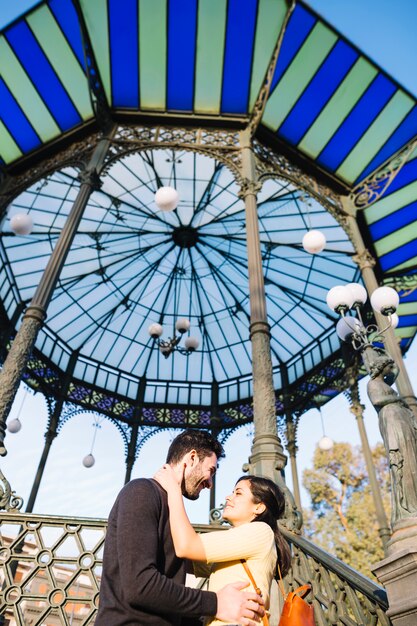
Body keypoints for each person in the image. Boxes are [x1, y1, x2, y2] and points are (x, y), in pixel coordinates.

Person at [95, 429, 265, 626]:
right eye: (211, 471)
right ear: (192, 458)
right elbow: (140, 585)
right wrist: (216, 603)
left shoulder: (171, 509)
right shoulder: (141, 491)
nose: (210, 483)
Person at [154, 464, 292, 626]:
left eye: (238, 493)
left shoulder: (261, 531)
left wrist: (174, 491)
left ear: (259, 507)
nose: (228, 497)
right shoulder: (234, 544)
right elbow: (183, 558)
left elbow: (187, 546)